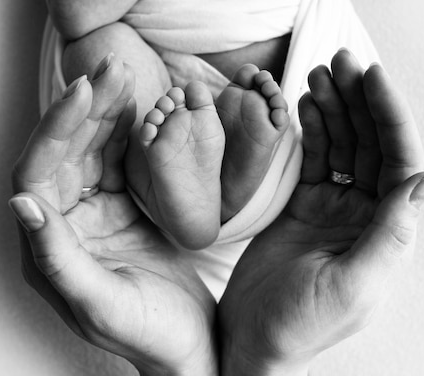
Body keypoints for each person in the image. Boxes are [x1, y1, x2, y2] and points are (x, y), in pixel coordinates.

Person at [9, 49, 424, 376]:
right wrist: (266, 373)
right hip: (298, 188)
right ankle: (216, 204)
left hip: (278, 184)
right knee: (115, 68)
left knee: (105, 56)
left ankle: (200, 205)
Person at [39, 0, 384, 298]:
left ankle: (201, 188)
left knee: (109, 63)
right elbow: (76, 13)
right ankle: (181, 193)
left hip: (298, 103)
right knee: (101, 55)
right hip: (189, 93)